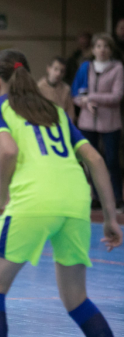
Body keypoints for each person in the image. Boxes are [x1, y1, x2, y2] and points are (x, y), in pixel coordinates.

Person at [0, 49, 124, 337]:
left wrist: (2, 195)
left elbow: (8, 151)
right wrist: (110, 216)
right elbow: (95, 159)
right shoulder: (54, 111)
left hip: (33, 201)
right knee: (76, 300)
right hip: (75, 201)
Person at [72, 33, 124, 211]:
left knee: (112, 161)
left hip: (110, 123)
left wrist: (91, 97)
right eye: (99, 46)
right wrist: (84, 102)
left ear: (111, 49)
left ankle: (117, 197)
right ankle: (96, 197)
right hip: (87, 122)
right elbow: (76, 94)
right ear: (93, 49)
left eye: (106, 46)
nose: (102, 50)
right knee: (91, 161)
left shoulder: (117, 68)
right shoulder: (85, 67)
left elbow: (117, 96)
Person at [37, 56, 76, 121]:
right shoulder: (39, 87)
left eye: (62, 71)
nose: (58, 73)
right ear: (48, 69)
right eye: (55, 69)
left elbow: (71, 113)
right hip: (45, 122)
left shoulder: (66, 89)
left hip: (61, 123)